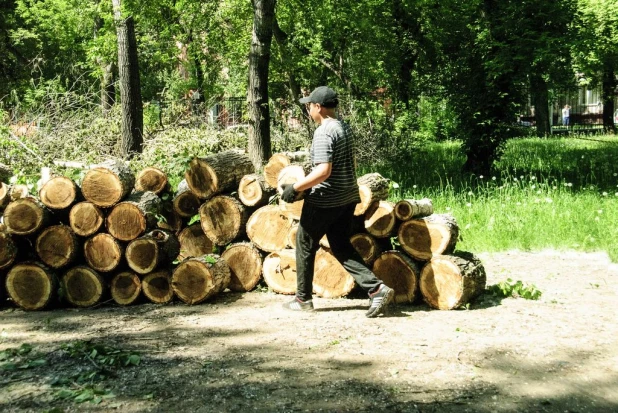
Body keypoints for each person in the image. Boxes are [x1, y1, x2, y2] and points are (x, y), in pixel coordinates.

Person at [280, 86, 395, 318]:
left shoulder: (324, 132)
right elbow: (348, 164)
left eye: (309, 105)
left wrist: (296, 188)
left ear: (318, 107)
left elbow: (323, 170)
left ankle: (302, 299)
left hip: (325, 199)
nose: (308, 109)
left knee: (304, 243)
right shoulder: (344, 127)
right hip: (348, 197)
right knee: (341, 244)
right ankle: (377, 289)